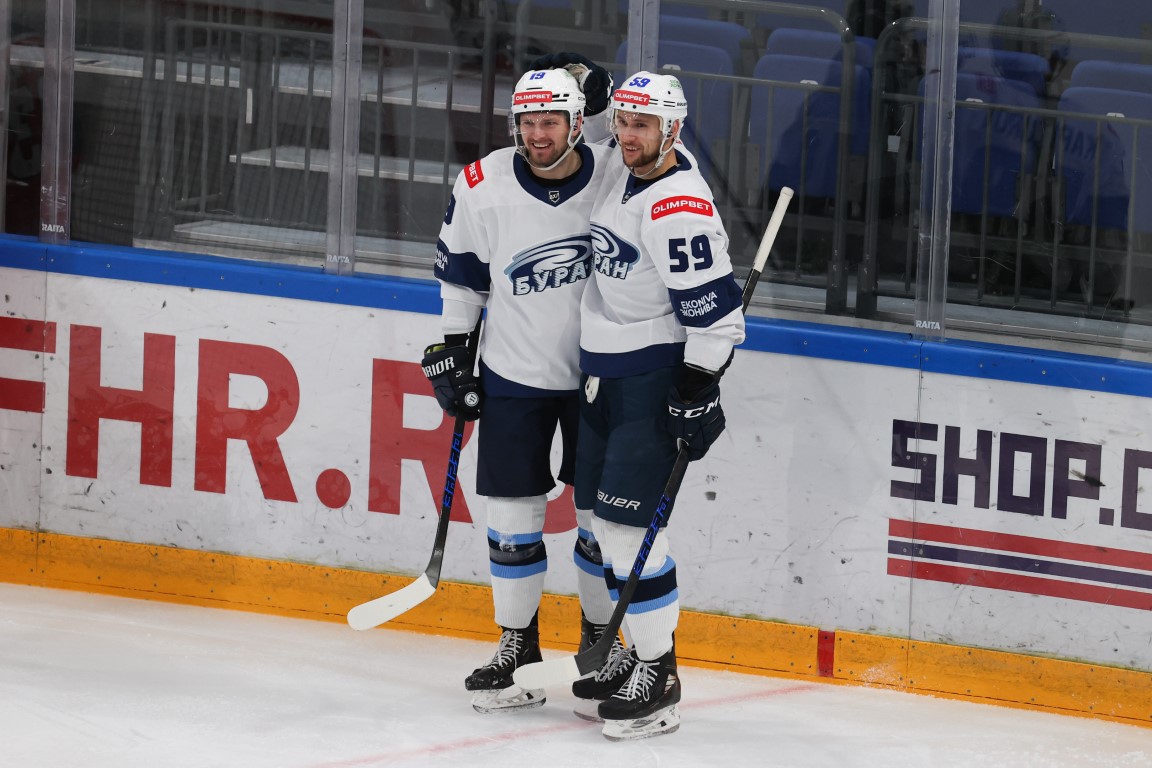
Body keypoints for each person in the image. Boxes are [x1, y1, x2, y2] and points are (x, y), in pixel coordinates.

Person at [421, 62, 619, 715]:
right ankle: (516, 643)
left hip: (600, 375)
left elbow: (675, 169)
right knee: (510, 517)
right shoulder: (483, 183)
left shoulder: (616, 173)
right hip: (513, 372)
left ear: (577, 122)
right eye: (528, 121)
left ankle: (602, 644)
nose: (537, 134)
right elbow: (462, 279)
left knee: (599, 521)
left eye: (551, 121)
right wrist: (454, 351)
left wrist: (608, 102)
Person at [574, 72, 746, 741]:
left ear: (672, 130)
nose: (626, 134)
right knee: (595, 523)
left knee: (628, 531)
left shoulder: (678, 206)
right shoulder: (624, 165)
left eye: (641, 125)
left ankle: (659, 673)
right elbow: (581, 123)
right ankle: (627, 656)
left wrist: (696, 389)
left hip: (649, 381)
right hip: (602, 374)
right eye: (623, 121)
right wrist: (588, 85)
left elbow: (717, 320)